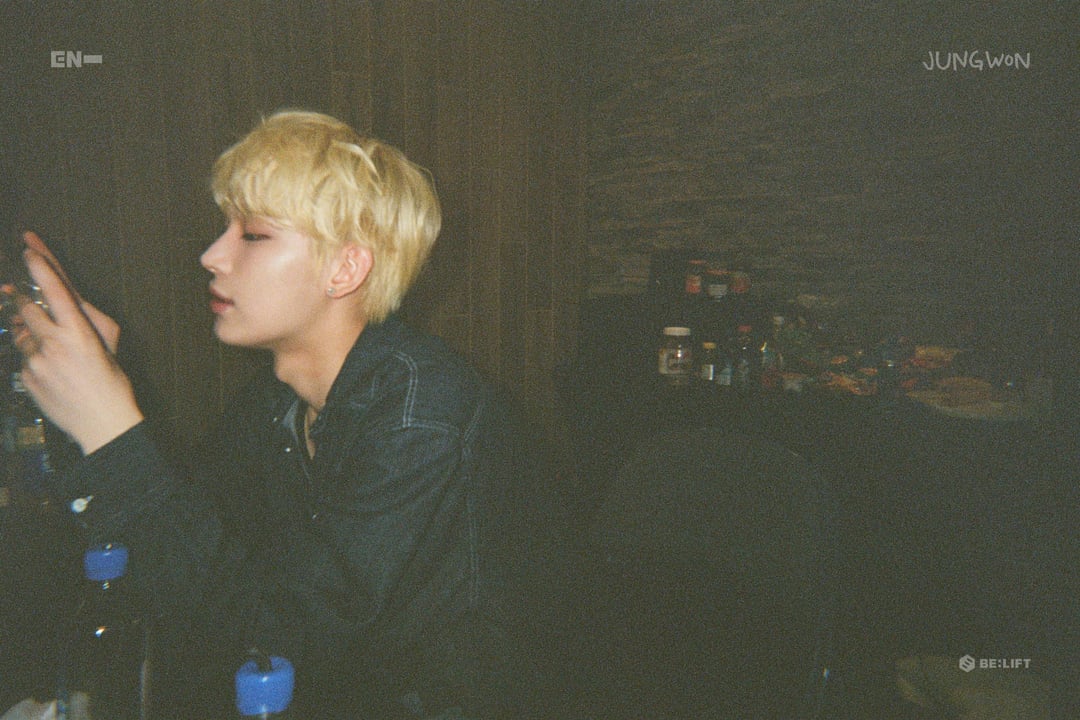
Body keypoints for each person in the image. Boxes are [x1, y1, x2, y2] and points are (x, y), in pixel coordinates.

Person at [12, 110, 529, 719]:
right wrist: (92, 401)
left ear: (345, 269)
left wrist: (110, 429)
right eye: (224, 229)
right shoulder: (276, 403)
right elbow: (184, 556)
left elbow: (281, 642)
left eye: (253, 235)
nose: (211, 255)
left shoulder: (424, 417)